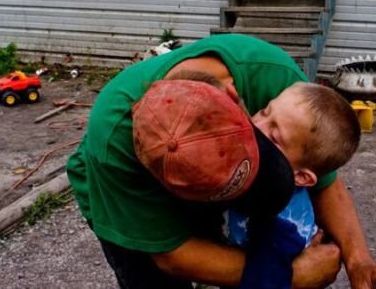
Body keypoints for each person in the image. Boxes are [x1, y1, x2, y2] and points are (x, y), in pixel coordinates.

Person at [66, 33, 376, 288]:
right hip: (121, 196)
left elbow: (325, 181)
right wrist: (292, 277)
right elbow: (172, 255)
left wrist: (360, 263)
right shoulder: (114, 143)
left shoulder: (277, 86)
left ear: (233, 96)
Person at [133, 77, 361, 289]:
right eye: (263, 112)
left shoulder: (281, 225)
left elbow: (267, 280)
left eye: (274, 137)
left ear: (301, 177)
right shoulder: (255, 175)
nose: (256, 126)